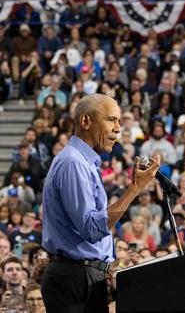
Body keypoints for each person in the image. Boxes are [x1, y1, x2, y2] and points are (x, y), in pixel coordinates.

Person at [41, 94, 160, 312]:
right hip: (74, 278)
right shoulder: (73, 163)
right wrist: (134, 189)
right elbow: (91, 229)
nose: (117, 129)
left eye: (119, 122)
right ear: (86, 121)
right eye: (111, 120)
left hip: (83, 275)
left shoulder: (85, 161)